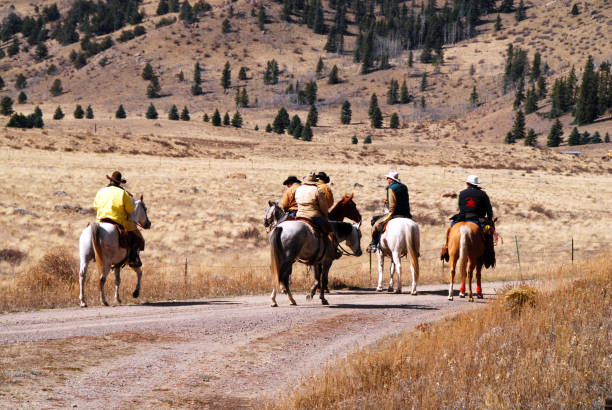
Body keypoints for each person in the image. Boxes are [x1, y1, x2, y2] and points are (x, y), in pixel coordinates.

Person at [93, 171, 145, 267]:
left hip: (100, 220)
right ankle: (133, 258)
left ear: (110, 180)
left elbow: (95, 205)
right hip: (117, 220)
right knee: (136, 237)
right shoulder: (123, 193)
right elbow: (130, 209)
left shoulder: (101, 191)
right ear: (119, 182)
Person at [440, 175, 494, 262]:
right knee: (488, 233)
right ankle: (488, 252)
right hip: (478, 219)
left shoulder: (462, 193)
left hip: (463, 217)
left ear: (467, 183)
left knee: (451, 228)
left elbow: (459, 206)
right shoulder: (483, 194)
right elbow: (489, 209)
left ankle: (446, 248)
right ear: (476, 184)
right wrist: (489, 219)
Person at [295, 172, 339, 259]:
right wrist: (325, 214)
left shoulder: (299, 189)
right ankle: (331, 252)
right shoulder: (317, 190)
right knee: (329, 231)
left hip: (299, 215)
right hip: (313, 216)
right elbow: (323, 206)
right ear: (314, 181)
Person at [368, 171, 412, 251]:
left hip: (395, 213)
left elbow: (393, 204)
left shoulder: (391, 188)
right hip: (406, 214)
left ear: (391, 180)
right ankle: (415, 250)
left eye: (388, 178)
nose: (387, 179)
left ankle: (373, 244)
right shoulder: (404, 187)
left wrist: (390, 212)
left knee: (376, 225)